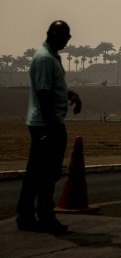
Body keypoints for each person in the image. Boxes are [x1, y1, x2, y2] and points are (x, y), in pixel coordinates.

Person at [16, 20, 81, 234]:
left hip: (46, 122)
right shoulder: (45, 59)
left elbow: (51, 89)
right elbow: (43, 94)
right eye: (65, 35)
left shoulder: (52, 56)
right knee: (45, 173)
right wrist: (51, 126)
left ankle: (29, 215)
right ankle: (42, 215)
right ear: (53, 34)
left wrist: (69, 95)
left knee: (38, 172)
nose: (67, 39)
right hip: (46, 123)